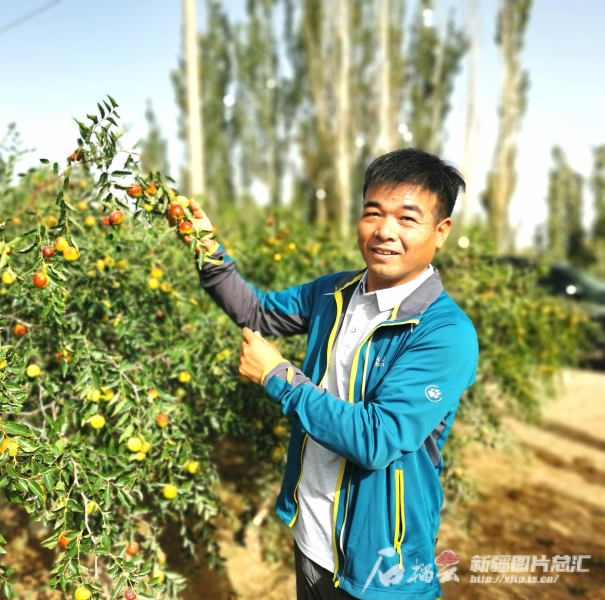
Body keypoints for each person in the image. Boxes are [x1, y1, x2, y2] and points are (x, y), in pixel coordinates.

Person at [176, 148, 478, 600]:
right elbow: (256, 312)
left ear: (441, 231)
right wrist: (205, 247)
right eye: (373, 212)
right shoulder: (334, 291)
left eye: (407, 219)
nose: (384, 231)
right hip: (312, 538)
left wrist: (278, 377)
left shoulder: (445, 333)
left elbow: (376, 439)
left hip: (382, 566)